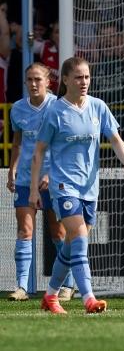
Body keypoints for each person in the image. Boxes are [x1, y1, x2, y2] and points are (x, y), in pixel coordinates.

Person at [31, 56, 124, 314]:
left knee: (71, 245)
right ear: (66, 80)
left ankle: (50, 296)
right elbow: (39, 150)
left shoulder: (98, 106)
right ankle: (89, 298)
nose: (84, 82)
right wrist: (34, 188)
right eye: (78, 77)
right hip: (63, 186)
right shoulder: (55, 111)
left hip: (90, 187)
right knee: (79, 239)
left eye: (87, 76)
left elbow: (115, 138)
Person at [7, 63, 73, 301]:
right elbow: (17, 142)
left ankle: (68, 284)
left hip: (53, 179)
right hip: (26, 179)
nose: (33, 84)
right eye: (29, 80)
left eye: (38, 79)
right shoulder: (17, 109)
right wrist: (12, 169)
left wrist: (51, 174)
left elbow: (64, 145)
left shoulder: (58, 106)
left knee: (59, 232)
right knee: (24, 230)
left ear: (48, 82)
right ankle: (22, 287)